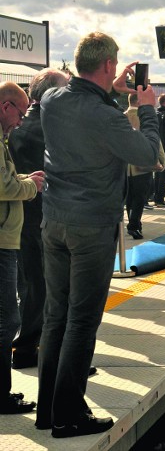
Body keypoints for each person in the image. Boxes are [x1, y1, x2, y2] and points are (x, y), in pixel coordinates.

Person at [36, 31, 160, 438]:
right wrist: (147, 109)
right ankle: (70, 414)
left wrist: (112, 92)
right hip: (91, 226)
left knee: (56, 316)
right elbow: (146, 155)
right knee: (82, 321)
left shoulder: (53, 101)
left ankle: (49, 410)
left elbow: (83, 103)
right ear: (109, 65)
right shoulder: (105, 116)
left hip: (54, 221)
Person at [8, 69, 68, 370]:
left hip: (23, 217)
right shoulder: (45, 127)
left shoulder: (19, 126)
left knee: (32, 285)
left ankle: (32, 346)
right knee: (41, 286)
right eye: (64, 91)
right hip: (39, 217)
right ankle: (29, 347)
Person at [0, 81, 45, 414]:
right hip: (2, 240)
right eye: (21, 111)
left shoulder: (4, 139)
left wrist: (23, 180)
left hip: (8, 237)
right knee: (8, 319)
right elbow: (3, 185)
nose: (21, 120)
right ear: (6, 106)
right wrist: (31, 185)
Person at [125, 93, 165, 239]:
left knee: (129, 197)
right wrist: (161, 160)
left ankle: (133, 222)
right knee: (140, 196)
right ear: (140, 101)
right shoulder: (144, 117)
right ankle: (134, 225)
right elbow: (154, 139)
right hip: (142, 162)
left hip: (124, 166)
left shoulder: (121, 116)